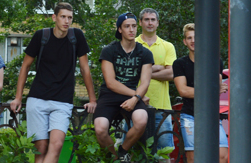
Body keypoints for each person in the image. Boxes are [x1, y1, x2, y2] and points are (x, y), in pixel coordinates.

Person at [9, 3, 97, 163]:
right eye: (63, 17)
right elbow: (25, 66)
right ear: (54, 17)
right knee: (41, 150)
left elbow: (85, 69)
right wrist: (17, 97)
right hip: (38, 99)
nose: (66, 21)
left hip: (62, 101)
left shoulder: (76, 36)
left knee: (56, 147)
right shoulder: (41, 36)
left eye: (70, 18)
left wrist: (92, 99)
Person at [93, 12, 153, 162]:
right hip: (109, 94)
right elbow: (111, 82)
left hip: (133, 96)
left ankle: (122, 151)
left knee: (141, 119)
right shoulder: (109, 50)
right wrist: (136, 95)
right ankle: (114, 158)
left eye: (133, 26)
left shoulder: (145, 53)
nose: (131, 30)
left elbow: (145, 82)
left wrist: (135, 98)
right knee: (100, 128)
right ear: (120, 29)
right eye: (127, 26)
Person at [173, 23, 229, 163]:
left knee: (222, 156)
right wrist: (211, 90)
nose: (193, 41)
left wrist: (211, 90)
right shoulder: (179, 63)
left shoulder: (215, 62)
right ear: (185, 42)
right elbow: (183, 90)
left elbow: (219, 88)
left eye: (196, 37)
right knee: (193, 158)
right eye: (189, 38)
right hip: (190, 115)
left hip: (211, 115)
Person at [134, 8, 176, 160]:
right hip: (135, 105)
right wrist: (159, 68)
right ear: (140, 22)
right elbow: (129, 71)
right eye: (146, 19)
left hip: (162, 107)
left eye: (153, 20)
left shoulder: (167, 46)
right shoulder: (132, 44)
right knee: (134, 152)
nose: (150, 23)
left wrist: (144, 71)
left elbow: (172, 73)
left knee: (164, 153)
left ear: (158, 23)